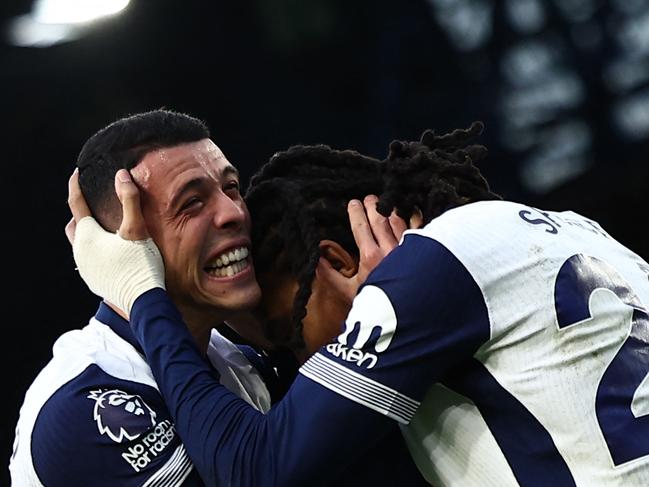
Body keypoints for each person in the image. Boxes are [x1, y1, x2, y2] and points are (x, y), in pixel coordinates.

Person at [68, 120, 649, 486]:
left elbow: (255, 469)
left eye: (286, 334)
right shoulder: (572, 228)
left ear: (339, 264)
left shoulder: (420, 277)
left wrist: (142, 294)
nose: (303, 368)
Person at [10, 108, 424, 486]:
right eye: (192, 203)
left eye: (230, 187)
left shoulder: (242, 364)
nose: (234, 213)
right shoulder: (87, 404)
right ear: (124, 242)